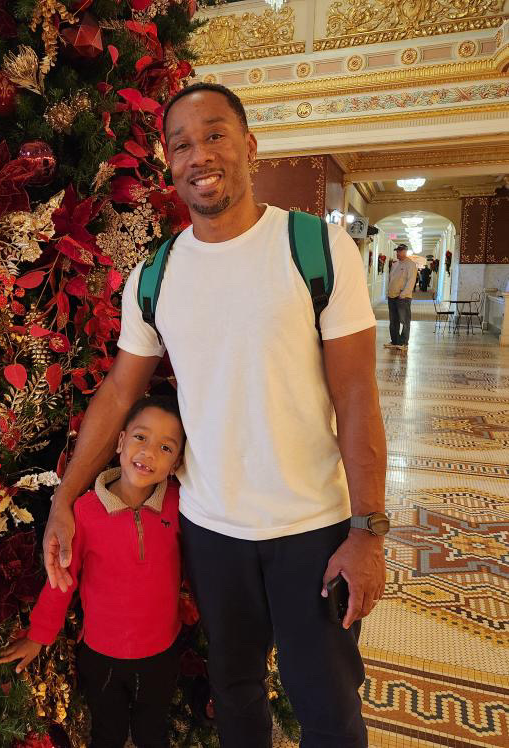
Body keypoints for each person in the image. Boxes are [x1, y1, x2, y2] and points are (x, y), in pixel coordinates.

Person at [43, 82, 387, 748]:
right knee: (234, 696)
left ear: (250, 148)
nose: (200, 154)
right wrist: (67, 497)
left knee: (329, 709)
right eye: (181, 144)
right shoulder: (156, 274)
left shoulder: (313, 247)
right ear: (169, 164)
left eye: (216, 134)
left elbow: (355, 395)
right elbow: (119, 393)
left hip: (311, 530)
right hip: (211, 532)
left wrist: (367, 529)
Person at [0, 396, 185, 748]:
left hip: (161, 653)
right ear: (120, 442)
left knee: (152, 733)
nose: (149, 453)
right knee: (107, 734)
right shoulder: (85, 511)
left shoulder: (179, 506)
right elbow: (61, 580)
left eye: (165, 447)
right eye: (141, 438)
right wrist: (39, 634)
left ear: (176, 463)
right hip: (102, 657)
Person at [385, 244, 418, 352]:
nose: (397, 253)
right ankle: (394, 341)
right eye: (397, 251)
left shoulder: (410, 264)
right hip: (392, 296)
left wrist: (403, 294)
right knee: (393, 321)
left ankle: (404, 342)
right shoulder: (395, 264)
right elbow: (391, 278)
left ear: (405, 251)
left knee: (404, 320)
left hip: (403, 298)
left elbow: (411, 281)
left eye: (399, 251)